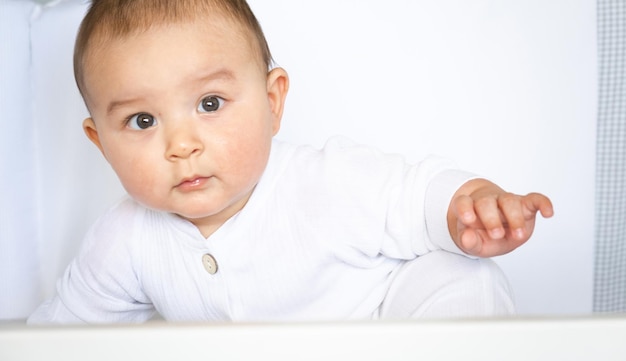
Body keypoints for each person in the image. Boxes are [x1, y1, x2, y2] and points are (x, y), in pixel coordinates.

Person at [28, 0, 553, 324]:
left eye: (210, 104)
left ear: (273, 102)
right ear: (100, 143)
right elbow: (64, 334)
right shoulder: (124, 240)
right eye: (142, 121)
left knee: (462, 276)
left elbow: (415, 195)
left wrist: (471, 204)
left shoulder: (326, 182)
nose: (181, 145)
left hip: (387, 328)